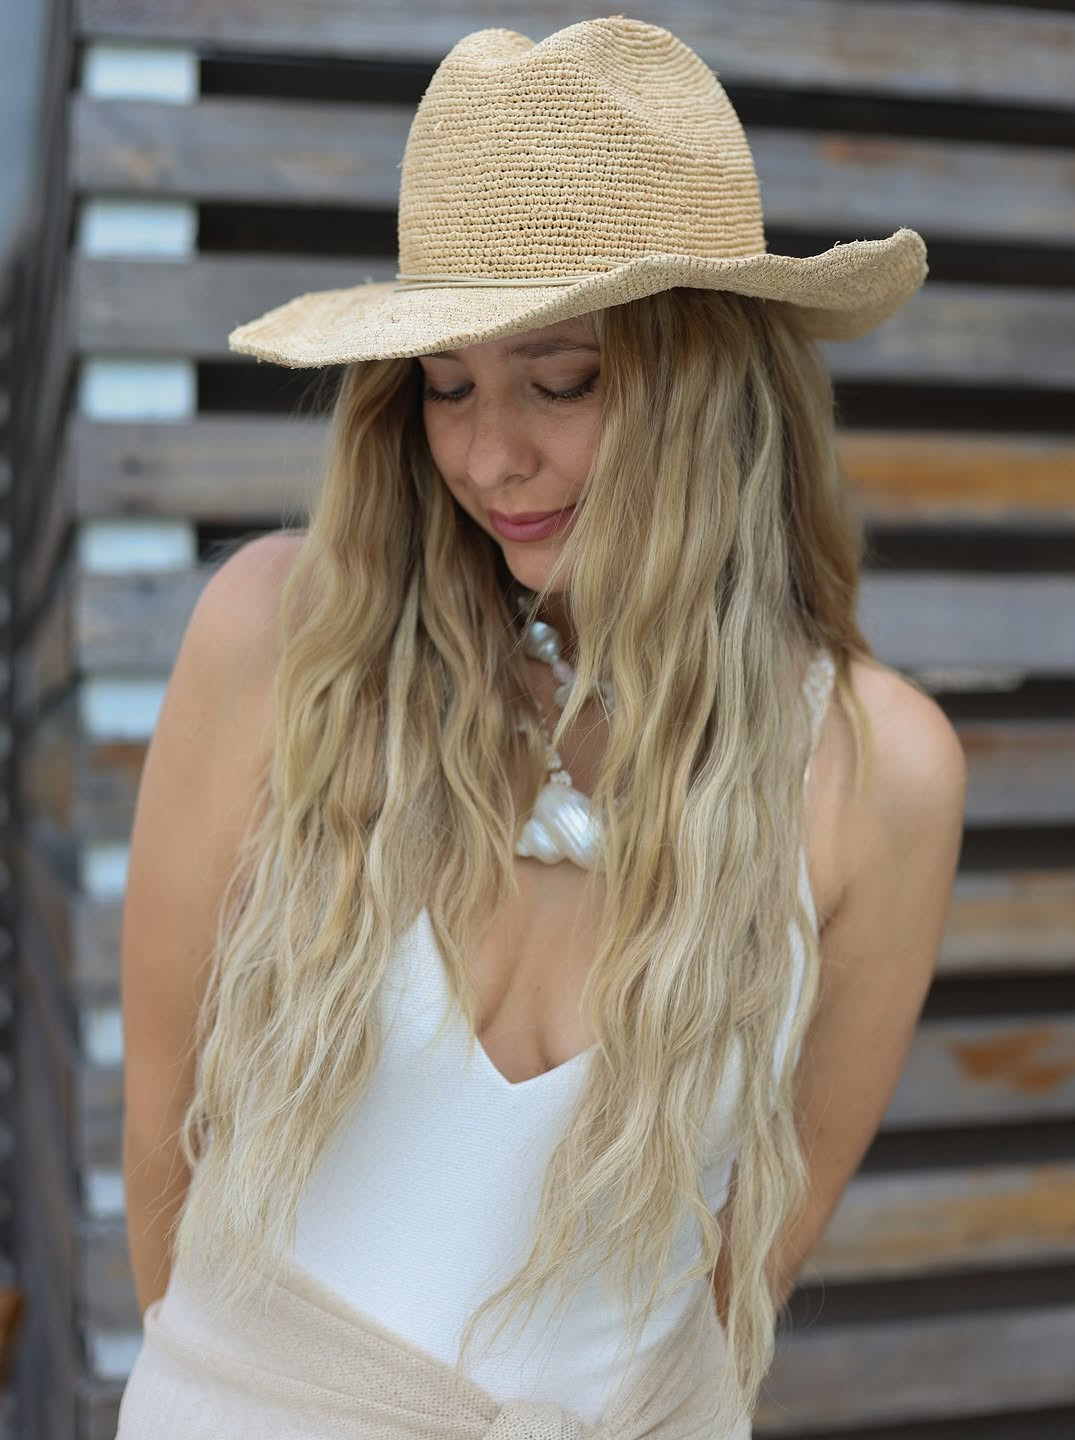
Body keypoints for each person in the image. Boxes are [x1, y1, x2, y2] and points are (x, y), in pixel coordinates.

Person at [115, 17, 967, 1439]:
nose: (488, 454)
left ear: (709, 383)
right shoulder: (284, 643)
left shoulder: (869, 776)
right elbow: (160, 1134)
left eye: (558, 381)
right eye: (447, 385)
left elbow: (750, 1255)